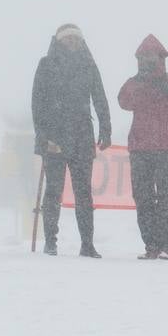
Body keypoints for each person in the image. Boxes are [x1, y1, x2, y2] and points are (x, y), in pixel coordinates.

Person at [31, 24, 112, 258]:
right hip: (55, 138)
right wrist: (43, 136)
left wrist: (105, 128)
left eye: (76, 40)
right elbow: (38, 103)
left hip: (81, 137)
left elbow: (100, 98)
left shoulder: (88, 65)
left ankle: (87, 244)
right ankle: (51, 242)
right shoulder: (46, 65)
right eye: (68, 40)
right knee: (54, 191)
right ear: (59, 41)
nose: (72, 43)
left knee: (84, 193)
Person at [117, 35, 168, 261]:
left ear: (160, 58)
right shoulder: (134, 82)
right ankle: (151, 245)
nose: (146, 61)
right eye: (142, 57)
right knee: (143, 197)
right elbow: (123, 102)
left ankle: (165, 245)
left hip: (165, 148)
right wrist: (140, 85)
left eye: (150, 56)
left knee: (167, 196)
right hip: (142, 149)